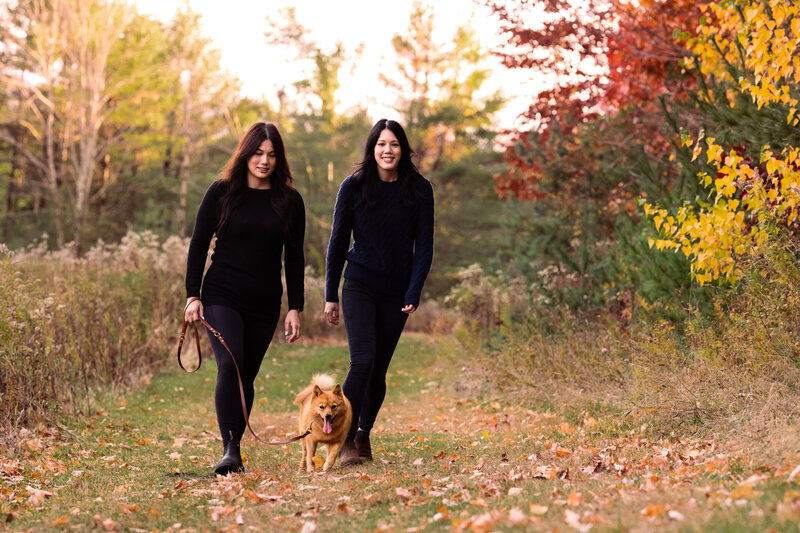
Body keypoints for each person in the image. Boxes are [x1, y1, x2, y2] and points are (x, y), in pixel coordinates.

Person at [184, 122, 305, 475]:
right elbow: (197, 245)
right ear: (245, 153)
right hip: (221, 293)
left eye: (271, 155)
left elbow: (294, 257)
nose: (264, 161)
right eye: (257, 153)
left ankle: (234, 444)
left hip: (265, 301)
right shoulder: (222, 192)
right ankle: (230, 449)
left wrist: (295, 306)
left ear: (278, 158)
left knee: (246, 375)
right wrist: (193, 295)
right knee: (230, 364)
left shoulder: (289, 200)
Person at [324, 119, 434, 465]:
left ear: (404, 150)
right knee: (363, 361)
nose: (388, 150)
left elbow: (425, 246)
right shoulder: (354, 186)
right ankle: (343, 437)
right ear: (372, 149)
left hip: (396, 291)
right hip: (359, 284)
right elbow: (338, 242)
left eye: (395, 144)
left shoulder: (419, 189)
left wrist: (413, 291)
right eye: (381, 144)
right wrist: (331, 293)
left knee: (379, 370)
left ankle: (362, 435)